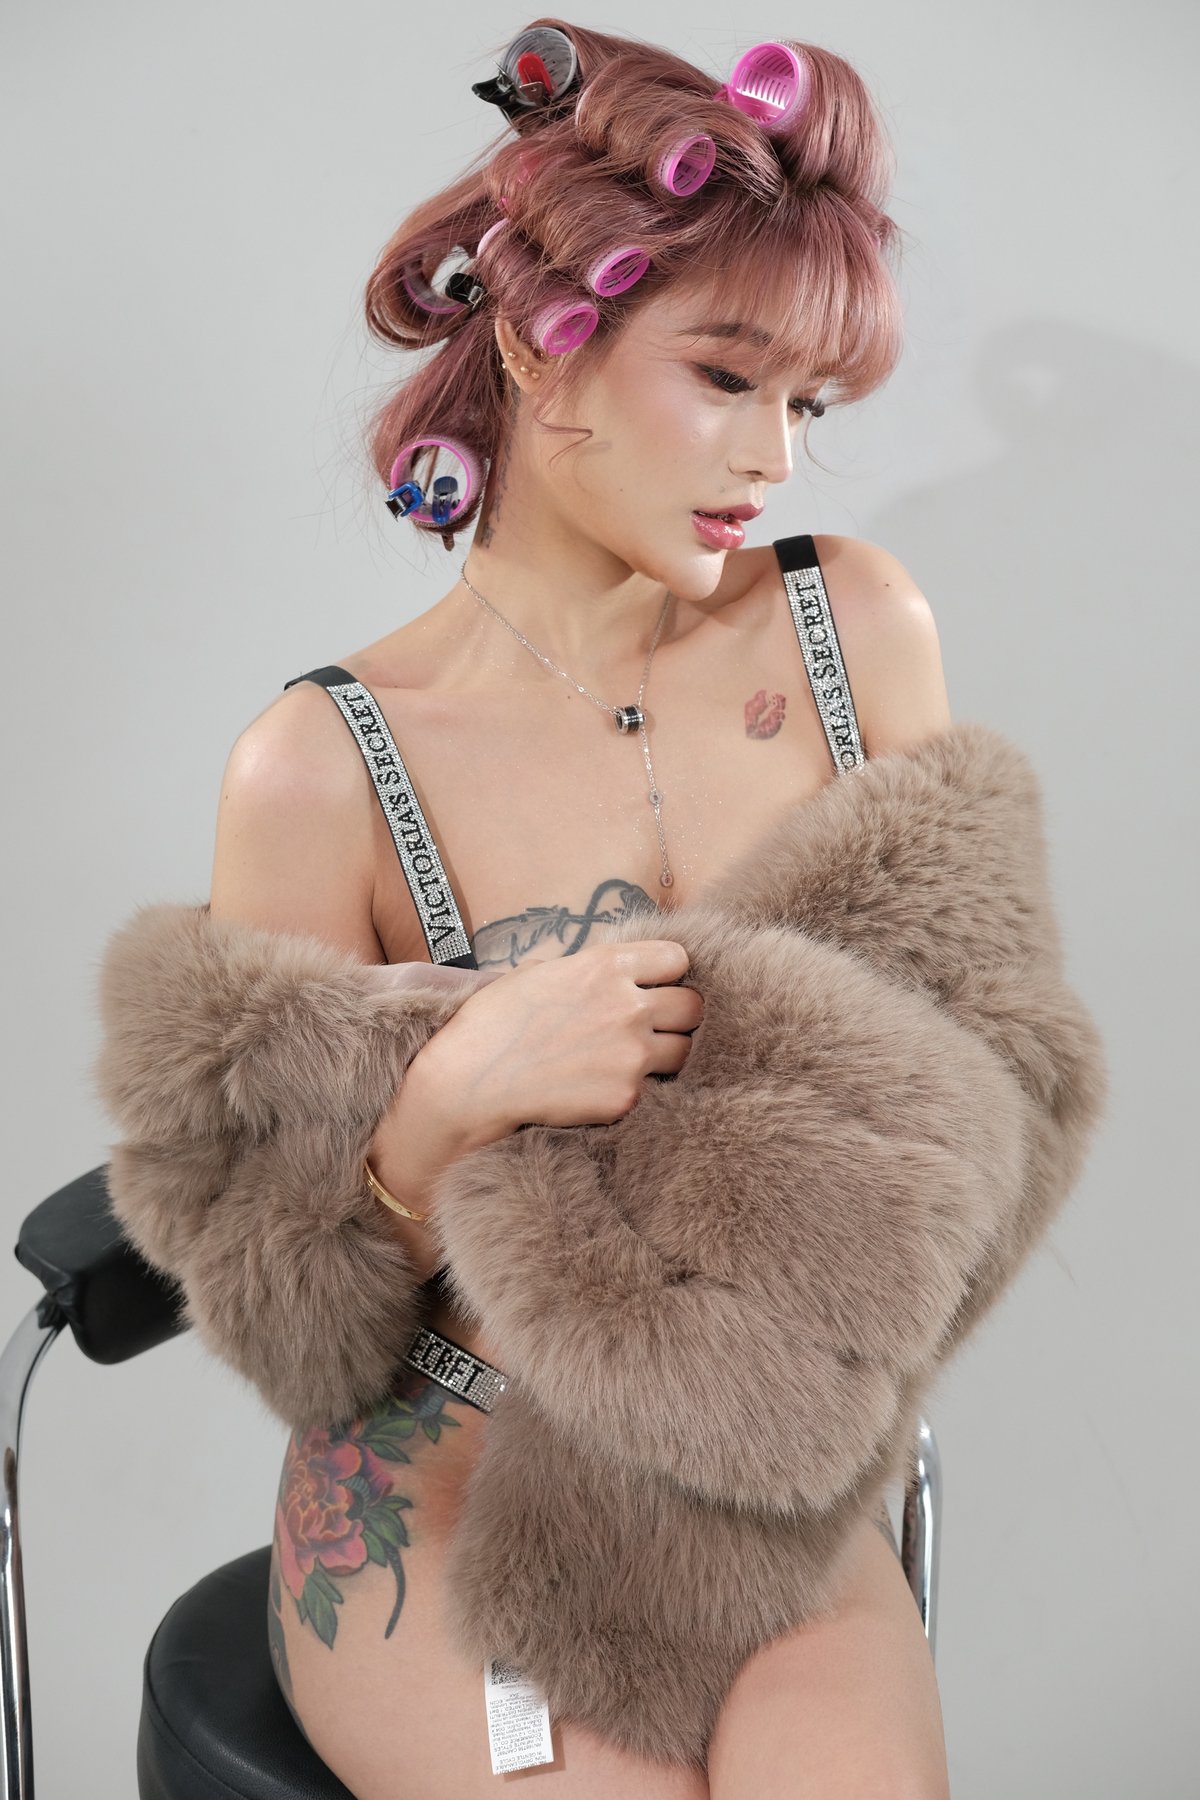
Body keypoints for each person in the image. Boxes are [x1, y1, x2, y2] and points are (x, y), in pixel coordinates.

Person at [213, 23, 953, 1798]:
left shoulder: (854, 634)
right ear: (544, 347)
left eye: (809, 405)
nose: (776, 458)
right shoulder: (323, 769)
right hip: (442, 1494)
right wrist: (451, 1099)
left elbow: (969, 1081)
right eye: (728, 377)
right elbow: (279, 1307)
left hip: (751, 1469)